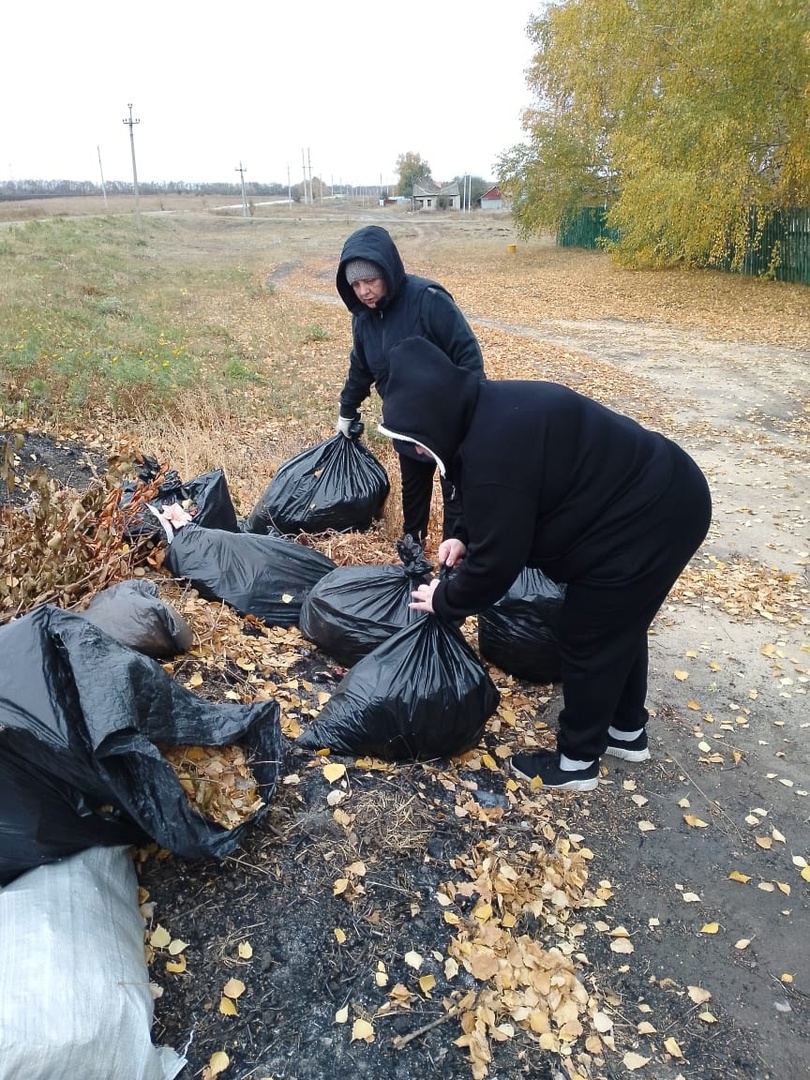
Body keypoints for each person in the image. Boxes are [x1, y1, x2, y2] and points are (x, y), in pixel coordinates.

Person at [378, 336, 712, 792]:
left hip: (653, 515)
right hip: (665, 491)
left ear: (433, 418)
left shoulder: (495, 450)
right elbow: (470, 486)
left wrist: (447, 600)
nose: (415, 454)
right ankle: (626, 729)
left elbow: (499, 564)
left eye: (415, 444)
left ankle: (577, 763)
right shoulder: (483, 409)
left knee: (588, 632)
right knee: (620, 622)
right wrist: (461, 535)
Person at [334, 225, 484, 547]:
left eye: (370, 280)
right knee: (413, 495)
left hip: (449, 431)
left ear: (388, 270)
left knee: (457, 500)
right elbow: (361, 367)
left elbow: (469, 359)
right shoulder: (363, 318)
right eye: (356, 284)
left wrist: (463, 421)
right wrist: (347, 409)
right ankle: (412, 555)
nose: (363, 291)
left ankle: (452, 568)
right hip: (406, 430)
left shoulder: (428, 301)